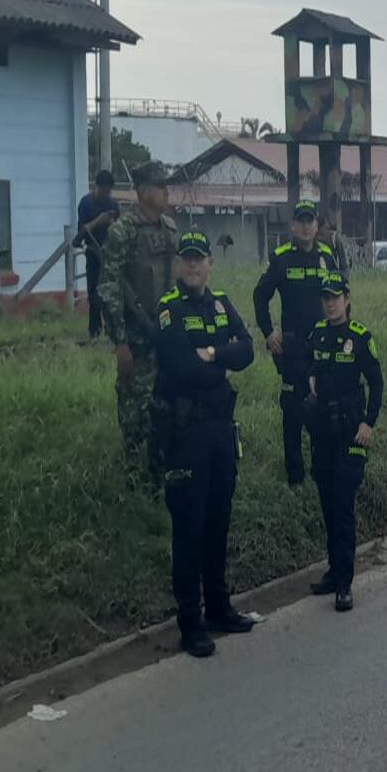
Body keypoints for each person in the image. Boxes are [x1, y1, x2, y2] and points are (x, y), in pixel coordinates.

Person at [153, 230, 258, 657]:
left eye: (200, 258)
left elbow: (248, 350)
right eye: (187, 259)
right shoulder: (168, 309)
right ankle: (190, 622)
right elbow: (179, 366)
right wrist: (223, 359)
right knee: (189, 528)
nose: (194, 265)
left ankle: (218, 607)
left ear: (210, 263)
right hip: (186, 435)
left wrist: (212, 355)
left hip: (219, 431)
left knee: (218, 521)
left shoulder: (220, 302)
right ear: (179, 265)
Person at [304, 272, 383, 612]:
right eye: (326, 298)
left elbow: (376, 384)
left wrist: (369, 422)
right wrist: (308, 377)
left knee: (343, 506)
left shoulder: (361, 337)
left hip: (351, 434)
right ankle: (334, 571)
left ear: (347, 299)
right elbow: (307, 365)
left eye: (336, 297)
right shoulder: (317, 335)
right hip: (323, 433)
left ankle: (345, 584)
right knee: (326, 504)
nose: (331, 303)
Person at [98, 162, 178, 477]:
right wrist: (120, 343)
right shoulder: (122, 232)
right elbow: (109, 288)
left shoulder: (170, 229)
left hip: (168, 335)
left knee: (166, 404)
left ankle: (161, 469)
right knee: (134, 409)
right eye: (160, 186)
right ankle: (133, 472)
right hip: (136, 336)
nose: (166, 191)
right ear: (143, 191)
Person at [253, 200, 338, 486]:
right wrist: (268, 332)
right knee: (292, 415)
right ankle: (295, 478)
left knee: (323, 411)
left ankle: (321, 472)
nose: (305, 226)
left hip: (323, 348)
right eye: (300, 220)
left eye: (309, 220)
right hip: (292, 350)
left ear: (316, 225)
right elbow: (259, 295)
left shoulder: (327, 256)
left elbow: (340, 297)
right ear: (293, 226)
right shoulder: (281, 258)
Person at [77, 169, 121, 338]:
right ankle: (94, 331)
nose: (106, 195)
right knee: (94, 293)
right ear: (97, 187)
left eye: (108, 192)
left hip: (110, 255)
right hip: (93, 254)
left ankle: (112, 330)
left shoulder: (113, 204)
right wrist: (99, 221)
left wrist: (111, 223)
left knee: (110, 295)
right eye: (104, 191)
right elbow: (82, 232)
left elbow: (119, 228)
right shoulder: (86, 204)